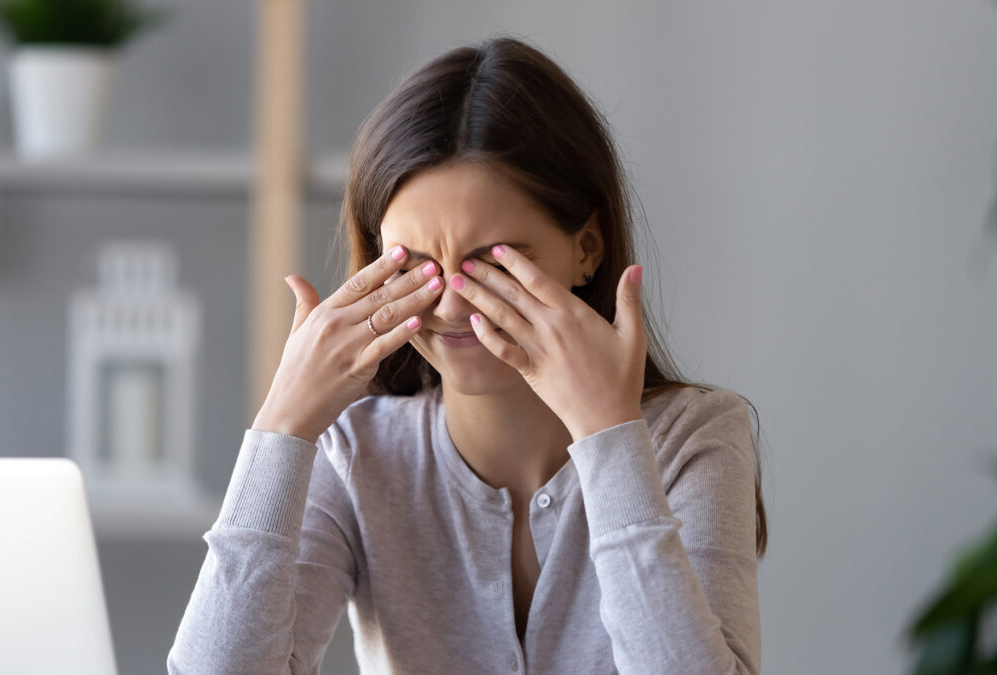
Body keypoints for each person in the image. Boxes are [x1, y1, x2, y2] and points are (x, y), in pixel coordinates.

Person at [168, 35, 768, 674]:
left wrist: (609, 437)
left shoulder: (694, 438)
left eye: (490, 264)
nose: (452, 306)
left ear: (587, 248)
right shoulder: (356, 453)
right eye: (415, 266)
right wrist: (281, 429)